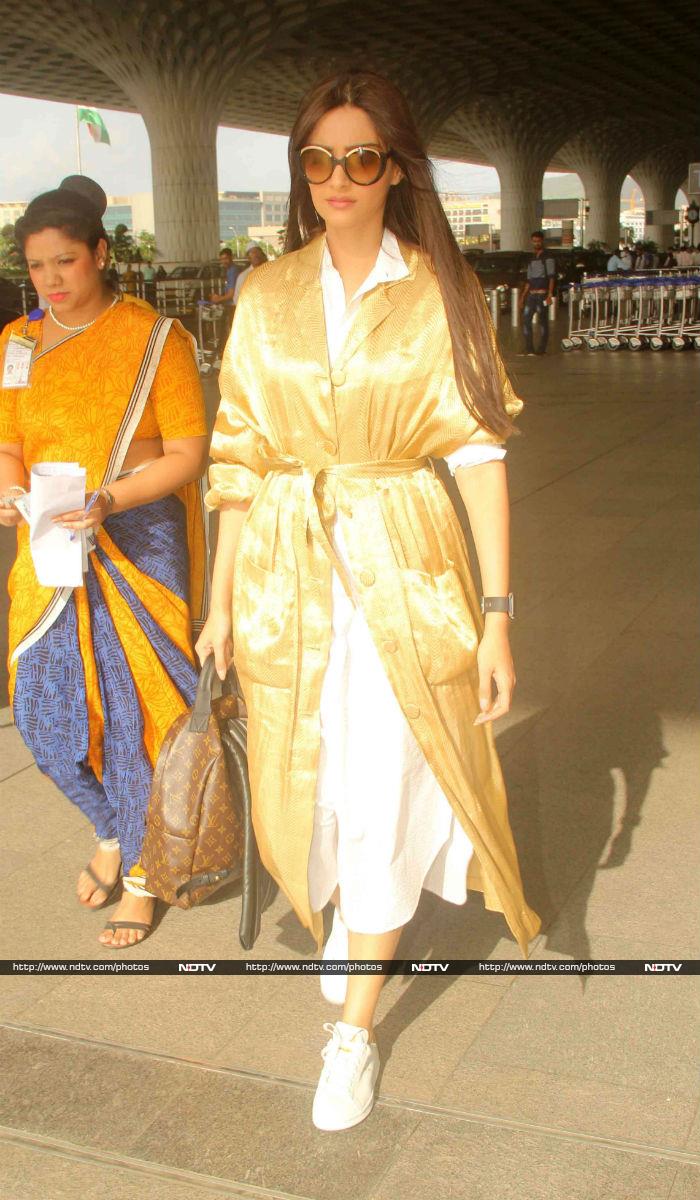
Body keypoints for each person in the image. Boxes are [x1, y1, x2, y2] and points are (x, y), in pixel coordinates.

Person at [197, 70, 541, 1133]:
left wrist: (496, 614)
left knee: (386, 784)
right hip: (285, 584)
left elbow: (480, 457)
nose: (336, 178)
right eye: (316, 159)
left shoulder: (444, 290)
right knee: (314, 785)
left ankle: (354, 1030)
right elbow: (239, 461)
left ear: (396, 170)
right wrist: (216, 603)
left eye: (359, 158)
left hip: (406, 571)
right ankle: (354, 927)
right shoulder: (266, 292)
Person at [0, 176, 209, 948]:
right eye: (38, 267)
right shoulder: (17, 344)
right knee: (44, 721)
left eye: (66, 262)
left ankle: (144, 876)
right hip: (48, 544)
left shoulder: (158, 339)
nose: (52, 280)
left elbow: (188, 453)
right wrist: (10, 492)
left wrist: (110, 502)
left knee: (134, 713)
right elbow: (10, 442)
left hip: (133, 537)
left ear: (99, 254)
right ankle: (114, 828)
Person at [519, 230, 555, 355]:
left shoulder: (548, 257)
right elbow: (528, 280)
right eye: (534, 241)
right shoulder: (531, 258)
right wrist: (523, 296)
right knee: (526, 320)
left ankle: (542, 348)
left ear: (542, 241)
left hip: (542, 294)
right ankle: (529, 347)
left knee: (542, 321)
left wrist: (550, 294)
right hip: (532, 294)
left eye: (538, 241)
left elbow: (551, 277)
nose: (536, 243)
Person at [210, 247, 240, 342]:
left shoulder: (233, 271)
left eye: (226, 258)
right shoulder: (229, 270)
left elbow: (231, 294)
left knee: (230, 330)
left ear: (231, 257)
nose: (224, 261)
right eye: (222, 259)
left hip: (233, 306)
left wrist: (218, 299)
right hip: (231, 305)